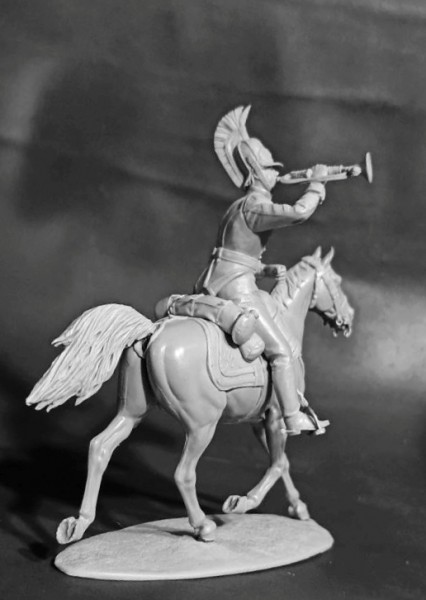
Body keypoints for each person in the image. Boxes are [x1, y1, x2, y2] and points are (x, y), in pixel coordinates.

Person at [192, 105, 329, 435]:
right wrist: (316, 185)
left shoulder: (237, 207)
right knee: (281, 351)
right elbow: (298, 212)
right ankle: (292, 416)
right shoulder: (255, 205)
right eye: (269, 169)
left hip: (219, 279)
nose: (275, 174)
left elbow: (234, 251)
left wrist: (263, 269)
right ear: (255, 172)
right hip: (235, 288)